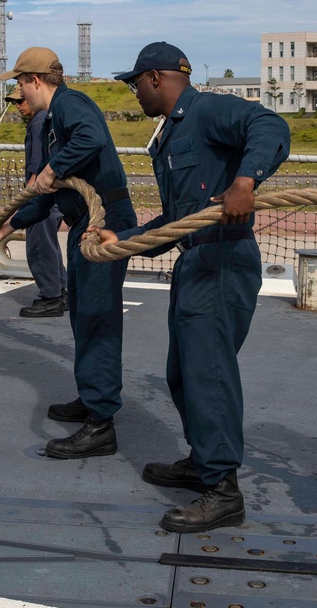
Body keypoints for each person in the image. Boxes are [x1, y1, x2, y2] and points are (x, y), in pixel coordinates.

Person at [93, 42, 289, 533]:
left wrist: (246, 182)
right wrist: (128, 239)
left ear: (156, 78)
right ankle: (204, 461)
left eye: (135, 83)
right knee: (182, 373)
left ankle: (223, 490)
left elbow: (270, 127)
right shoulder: (171, 135)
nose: (134, 93)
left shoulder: (207, 110)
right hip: (195, 259)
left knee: (208, 372)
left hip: (222, 259)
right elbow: (177, 221)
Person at [0, 47, 136, 460]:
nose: (18, 92)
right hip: (82, 222)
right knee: (83, 316)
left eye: (18, 83)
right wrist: (12, 223)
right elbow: (49, 196)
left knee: (98, 318)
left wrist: (52, 168)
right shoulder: (51, 121)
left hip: (104, 225)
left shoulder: (71, 104)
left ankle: (101, 424)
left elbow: (91, 138)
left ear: (34, 80)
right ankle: (92, 399)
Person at [5, 87, 68, 318]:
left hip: (41, 196)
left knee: (39, 248)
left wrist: (27, 200)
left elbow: (37, 163)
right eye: (14, 103)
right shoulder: (46, 118)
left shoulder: (39, 121)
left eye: (20, 100)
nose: (18, 105)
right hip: (52, 197)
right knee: (50, 246)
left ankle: (51, 297)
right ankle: (62, 291)